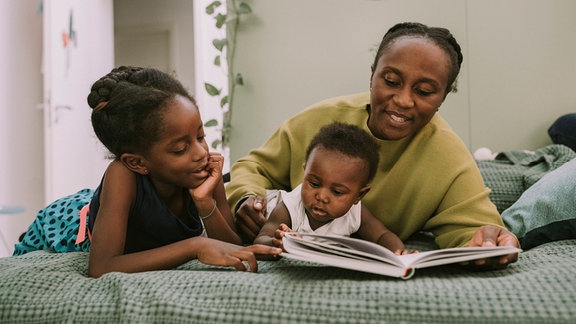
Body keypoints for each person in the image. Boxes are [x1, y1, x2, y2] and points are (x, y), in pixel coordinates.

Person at [226, 22, 519, 267]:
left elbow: (476, 227)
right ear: (372, 76)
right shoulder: (320, 120)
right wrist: (246, 200)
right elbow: (253, 167)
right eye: (391, 81)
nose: (403, 100)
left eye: (424, 91)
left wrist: (491, 241)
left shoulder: (447, 155)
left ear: (442, 97)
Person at [14, 66, 281, 277]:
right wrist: (195, 246)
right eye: (180, 149)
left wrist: (204, 203)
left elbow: (231, 245)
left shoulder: (202, 167)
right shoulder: (123, 175)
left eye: (200, 136)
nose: (200, 152)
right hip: (69, 223)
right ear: (138, 163)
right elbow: (101, 267)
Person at [254, 122, 409, 255]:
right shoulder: (288, 208)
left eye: (337, 192)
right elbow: (260, 240)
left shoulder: (355, 213)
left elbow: (382, 235)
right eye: (314, 184)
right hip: (259, 206)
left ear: (358, 196)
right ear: (305, 172)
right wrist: (278, 243)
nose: (322, 196)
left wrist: (398, 253)